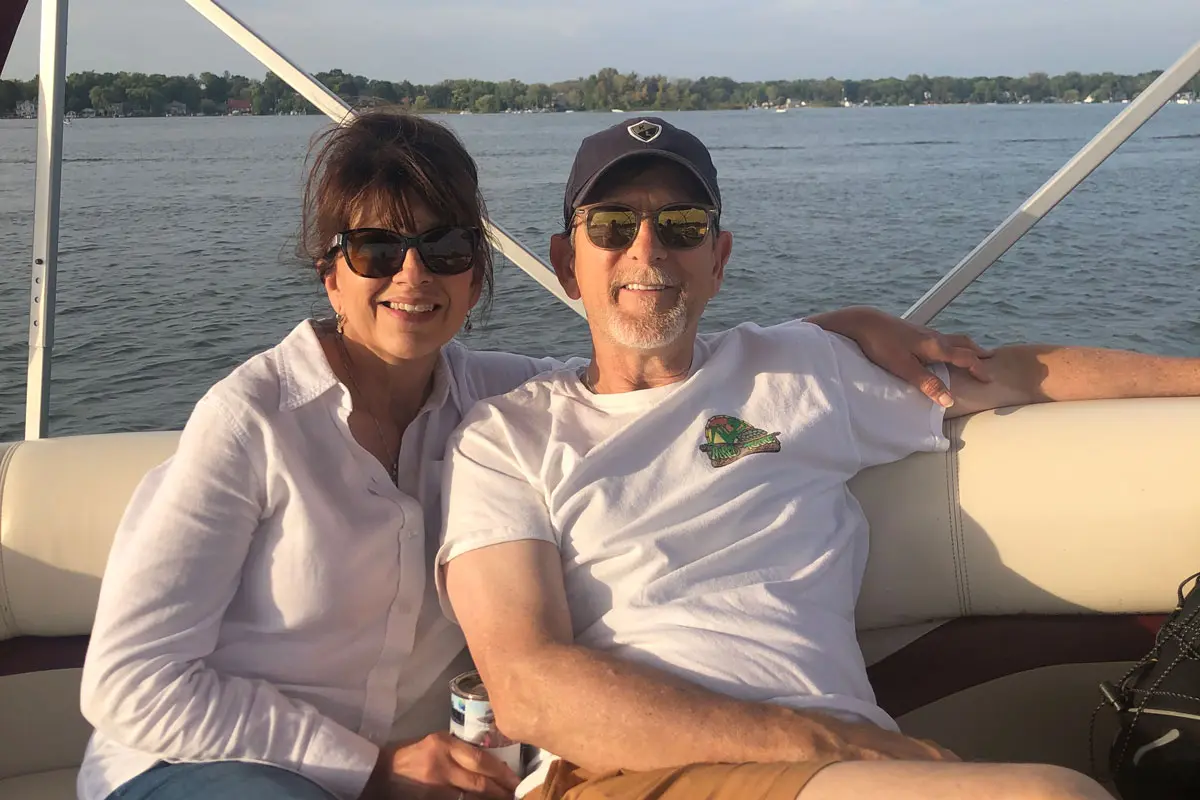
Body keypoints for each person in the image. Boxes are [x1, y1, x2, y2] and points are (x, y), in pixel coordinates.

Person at [76, 109, 982, 800]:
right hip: (214, 770)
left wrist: (848, 328)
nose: (413, 276)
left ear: (479, 270)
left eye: (444, 246)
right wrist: (368, 766)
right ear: (329, 269)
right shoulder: (251, 421)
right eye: (375, 248)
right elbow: (131, 684)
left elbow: (643, 360)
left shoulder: (490, 395)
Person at [436, 116, 1200, 800]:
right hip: (633, 769)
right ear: (568, 262)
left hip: (837, 768)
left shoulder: (801, 370)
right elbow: (529, 687)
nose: (647, 249)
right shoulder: (507, 438)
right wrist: (835, 743)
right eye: (611, 226)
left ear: (718, 257)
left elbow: (1005, 374)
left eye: (681, 224)